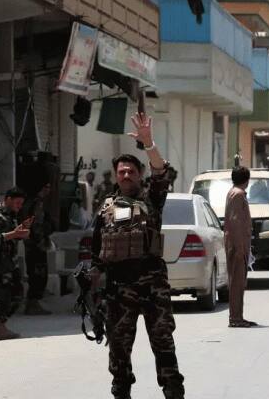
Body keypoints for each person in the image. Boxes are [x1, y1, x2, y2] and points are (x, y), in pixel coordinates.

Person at [91, 112, 184, 399]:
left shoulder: (151, 197)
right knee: (118, 350)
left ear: (139, 175)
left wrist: (148, 143)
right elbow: (97, 248)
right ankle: (121, 394)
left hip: (152, 286)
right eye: (122, 171)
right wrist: (92, 283)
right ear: (116, 176)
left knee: (163, 344)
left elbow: (161, 171)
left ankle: (173, 392)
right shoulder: (105, 206)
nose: (126, 174)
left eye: (131, 171)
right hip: (119, 290)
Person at [0, 187, 31, 340]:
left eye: (21, 204)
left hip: (9, 262)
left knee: (17, 293)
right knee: (2, 295)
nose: (19, 206)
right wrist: (14, 234)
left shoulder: (10, 216)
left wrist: (20, 234)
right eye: (17, 203)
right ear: (8, 199)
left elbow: (9, 237)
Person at [224, 166, 257, 328]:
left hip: (236, 244)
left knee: (238, 282)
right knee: (237, 283)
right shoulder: (238, 195)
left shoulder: (234, 192)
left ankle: (238, 316)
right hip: (237, 245)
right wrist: (240, 248)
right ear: (247, 179)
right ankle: (235, 318)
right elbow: (236, 222)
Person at [20, 182, 54, 315]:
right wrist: (41, 240)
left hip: (30, 243)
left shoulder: (29, 202)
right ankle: (32, 304)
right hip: (35, 244)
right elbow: (37, 225)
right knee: (38, 275)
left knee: (34, 273)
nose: (48, 190)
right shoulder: (37, 203)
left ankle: (32, 302)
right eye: (46, 187)